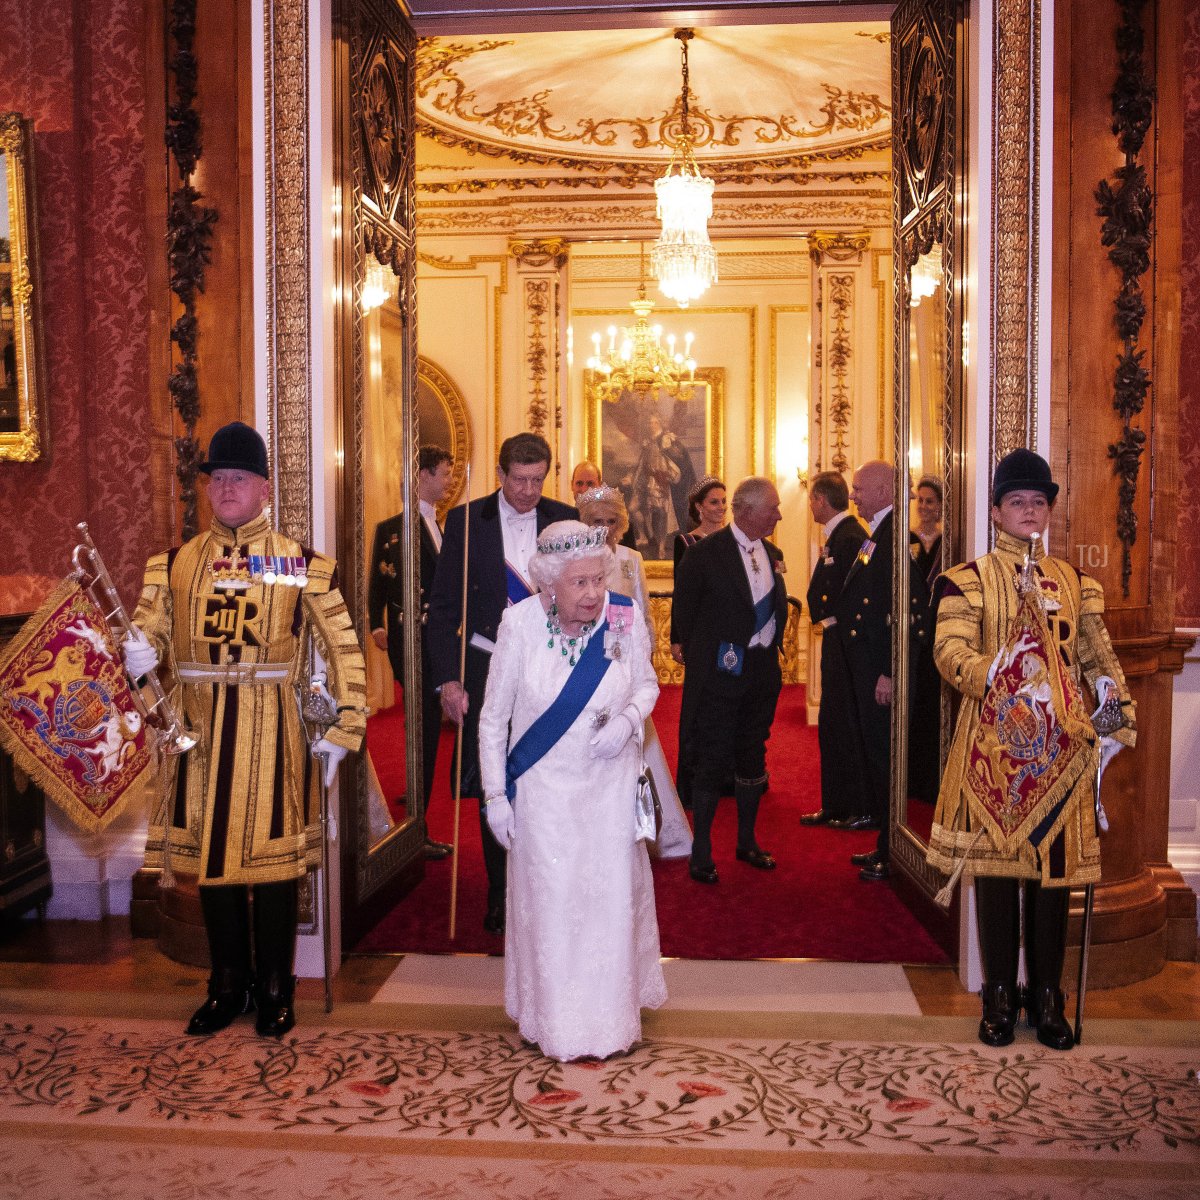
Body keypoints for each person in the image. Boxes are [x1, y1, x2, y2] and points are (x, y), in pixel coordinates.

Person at [123, 421, 366, 1038]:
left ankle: (277, 985)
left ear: (264, 489)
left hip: (272, 731)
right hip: (197, 732)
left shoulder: (297, 565)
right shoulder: (174, 565)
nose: (226, 488)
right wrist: (137, 656)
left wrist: (344, 729)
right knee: (212, 862)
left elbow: (343, 649)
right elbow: (146, 635)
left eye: (240, 478)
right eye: (217, 478)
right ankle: (227, 982)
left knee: (274, 865)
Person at [927, 449, 1135, 1051]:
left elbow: (1097, 654)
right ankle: (997, 993)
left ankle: (1046, 995)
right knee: (995, 875)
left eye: (1038, 502)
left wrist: (1111, 701)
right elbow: (948, 651)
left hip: (1064, 755)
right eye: (1016, 502)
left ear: (1048, 512)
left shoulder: (1075, 583)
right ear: (995, 511)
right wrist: (997, 670)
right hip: (994, 754)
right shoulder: (965, 580)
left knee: (1054, 877)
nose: (1028, 511)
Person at [477, 521, 666, 1060]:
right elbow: (493, 721)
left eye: (597, 580)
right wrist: (495, 797)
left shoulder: (622, 615)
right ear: (548, 585)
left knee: (607, 903)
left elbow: (647, 682)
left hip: (608, 790)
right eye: (578, 583)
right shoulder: (519, 625)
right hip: (544, 794)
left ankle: (610, 1024)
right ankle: (556, 1022)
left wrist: (628, 721)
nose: (591, 594)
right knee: (555, 905)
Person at [426, 432, 576, 935]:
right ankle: (499, 892)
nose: (529, 491)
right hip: (487, 669)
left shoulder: (563, 517)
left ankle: (547, 887)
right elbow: (444, 609)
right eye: (520, 480)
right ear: (500, 474)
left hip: (552, 666)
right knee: (498, 781)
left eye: (538, 480)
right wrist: (448, 680)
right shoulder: (467, 522)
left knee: (547, 778)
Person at [670, 477, 788, 884]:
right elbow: (684, 615)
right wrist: (709, 655)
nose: (778, 514)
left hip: (761, 673)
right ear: (747, 510)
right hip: (722, 674)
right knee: (713, 756)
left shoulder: (772, 553)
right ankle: (701, 850)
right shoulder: (704, 555)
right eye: (771, 508)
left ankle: (746, 841)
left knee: (753, 753)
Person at [577, 484, 692, 860]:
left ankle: (650, 834)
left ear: (621, 524)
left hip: (622, 666)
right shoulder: (575, 559)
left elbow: (641, 613)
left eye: (612, 522)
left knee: (635, 740)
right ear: (584, 523)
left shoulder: (630, 558)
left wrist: (639, 663)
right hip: (582, 665)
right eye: (597, 521)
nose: (605, 529)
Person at [367, 444, 454, 859]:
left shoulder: (447, 525)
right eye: (444, 473)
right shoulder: (393, 527)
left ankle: (418, 791)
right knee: (421, 720)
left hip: (442, 639)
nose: (449, 481)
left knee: (425, 721)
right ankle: (416, 816)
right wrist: (376, 621)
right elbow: (377, 578)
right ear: (422, 476)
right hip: (410, 638)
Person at [800, 470, 869, 828]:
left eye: (811, 498)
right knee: (831, 723)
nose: (810, 505)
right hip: (835, 639)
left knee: (844, 724)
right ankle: (834, 803)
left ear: (822, 500)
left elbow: (856, 593)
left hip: (846, 642)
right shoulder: (840, 534)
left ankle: (854, 805)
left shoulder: (851, 536)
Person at [840, 460, 898, 878]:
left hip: (879, 669)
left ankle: (891, 849)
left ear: (884, 490)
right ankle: (883, 843)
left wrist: (888, 671)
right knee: (874, 756)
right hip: (864, 665)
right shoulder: (877, 533)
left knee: (884, 760)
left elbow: (897, 614)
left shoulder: (895, 536)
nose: (853, 496)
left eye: (859, 488)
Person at [907, 474, 944, 805]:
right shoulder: (907, 538)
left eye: (930, 500)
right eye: (920, 499)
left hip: (938, 630)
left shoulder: (949, 540)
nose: (924, 506)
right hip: (911, 632)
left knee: (933, 705)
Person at [629, 413, 695, 561]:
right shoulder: (648, 442)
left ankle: (660, 546)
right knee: (639, 509)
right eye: (649, 422)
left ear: (659, 423)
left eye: (653, 422)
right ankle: (646, 537)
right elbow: (642, 464)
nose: (651, 425)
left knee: (662, 514)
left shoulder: (667, 439)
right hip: (647, 482)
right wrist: (633, 478)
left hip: (661, 483)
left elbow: (677, 458)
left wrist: (667, 472)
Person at [672, 475, 727, 576]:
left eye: (723, 501)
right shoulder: (685, 542)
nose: (721, 507)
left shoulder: (734, 538)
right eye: (714, 502)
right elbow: (682, 586)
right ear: (699, 506)